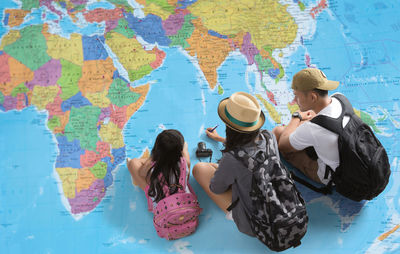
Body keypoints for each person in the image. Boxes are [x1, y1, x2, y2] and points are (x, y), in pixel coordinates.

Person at [192, 91, 267, 236]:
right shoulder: (268, 137)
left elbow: (217, 188)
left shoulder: (232, 158)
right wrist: (220, 139)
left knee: (200, 169)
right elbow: (248, 146)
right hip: (282, 207)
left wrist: (222, 168)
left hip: (257, 224)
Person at [272, 68, 341, 185]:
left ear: (313, 97)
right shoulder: (339, 99)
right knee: (302, 125)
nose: (294, 101)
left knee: (279, 133)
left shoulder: (313, 128)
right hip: (347, 159)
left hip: (331, 176)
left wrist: (296, 116)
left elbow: (283, 145)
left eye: (296, 96)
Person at [127, 129, 191, 209]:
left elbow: (142, 173)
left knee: (133, 163)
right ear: (180, 151)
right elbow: (185, 151)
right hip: (186, 207)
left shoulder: (154, 168)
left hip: (163, 211)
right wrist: (183, 148)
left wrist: (153, 155)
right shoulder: (185, 163)